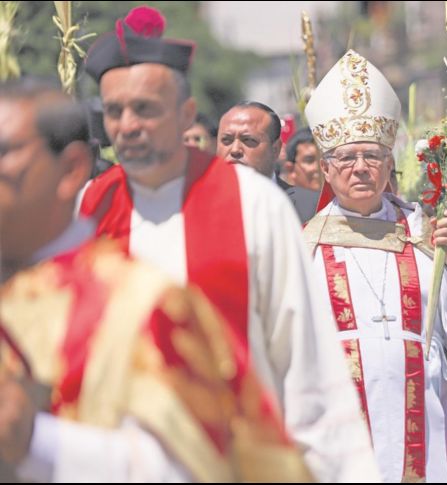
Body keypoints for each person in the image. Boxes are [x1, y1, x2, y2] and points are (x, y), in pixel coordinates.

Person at [78, 7, 378, 481]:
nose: (128, 125)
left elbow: (306, 366)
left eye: (145, 108)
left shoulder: (254, 203)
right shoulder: (91, 206)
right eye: (114, 111)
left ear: (186, 115)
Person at [0, 78, 310, 482]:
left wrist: (33, 441)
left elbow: (191, 460)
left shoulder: (140, 304)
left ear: (72, 168)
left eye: (5, 153)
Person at [303, 49, 447, 482]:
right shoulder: (305, 250)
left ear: (390, 164)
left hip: (425, 421)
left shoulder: (424, 236)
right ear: (326, 168)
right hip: (340, 427)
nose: (361, 168)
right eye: (348, 157)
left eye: (373, 156)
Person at [217, 102, 320, 223]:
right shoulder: (197, 205)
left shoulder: (313, 208)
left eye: (248, 140)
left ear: (275, 149)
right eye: (226, 140)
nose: (235, 150)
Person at [284, 127, 323, 191]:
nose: (321, 167)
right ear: (291, 170)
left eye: (325, 159)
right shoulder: (280, 200)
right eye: (309, 160)